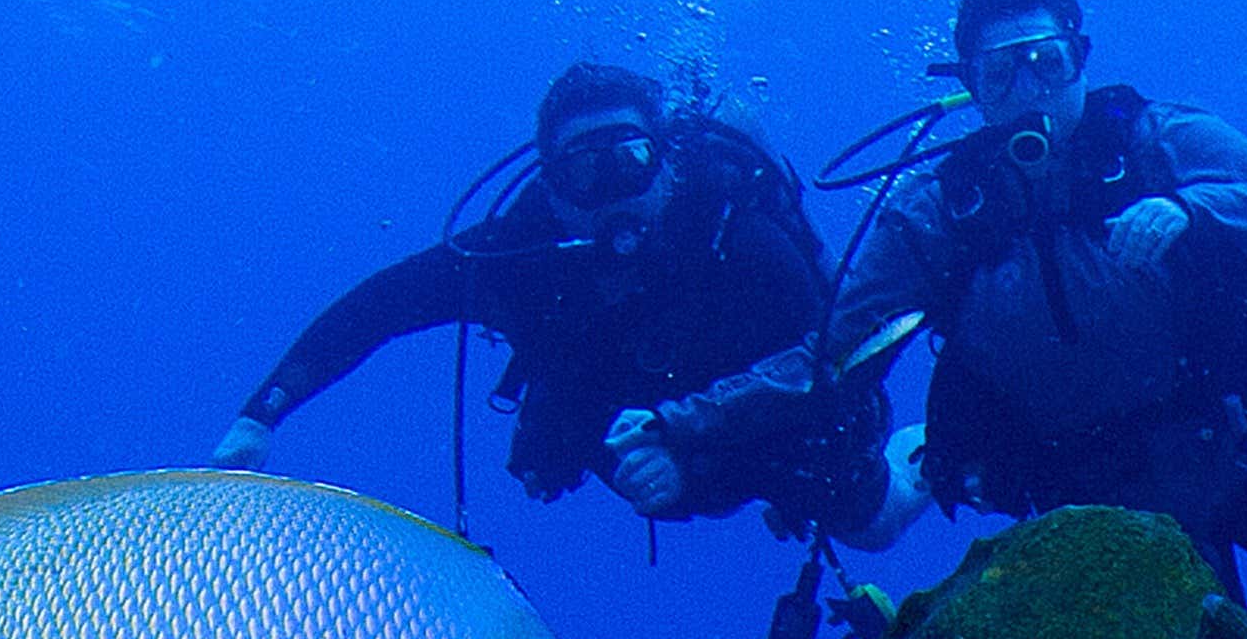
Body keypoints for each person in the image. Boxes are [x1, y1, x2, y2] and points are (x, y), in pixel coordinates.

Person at [627, 0, 1247, 639]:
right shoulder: (934, 214)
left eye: (1046, 62)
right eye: (1000, 73)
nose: (1029, 90)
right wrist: (683, 423)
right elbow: (828, 357)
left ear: (1081, 59)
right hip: (1106, 514)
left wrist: (1196, 208)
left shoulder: (1157, 141)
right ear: (969, 87)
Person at [210, 62, 888, 539]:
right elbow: (378, 307)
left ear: (669, 165)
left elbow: (835, 370)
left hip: (773, 423)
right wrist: (261, 414)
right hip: (630, 429)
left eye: (630, 160)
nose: (612, 192)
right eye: (583, 171)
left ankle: (909, 463)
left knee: (864, 520)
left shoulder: (740, 241)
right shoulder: (515, 256)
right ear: (553, 190)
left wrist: (695, 454)